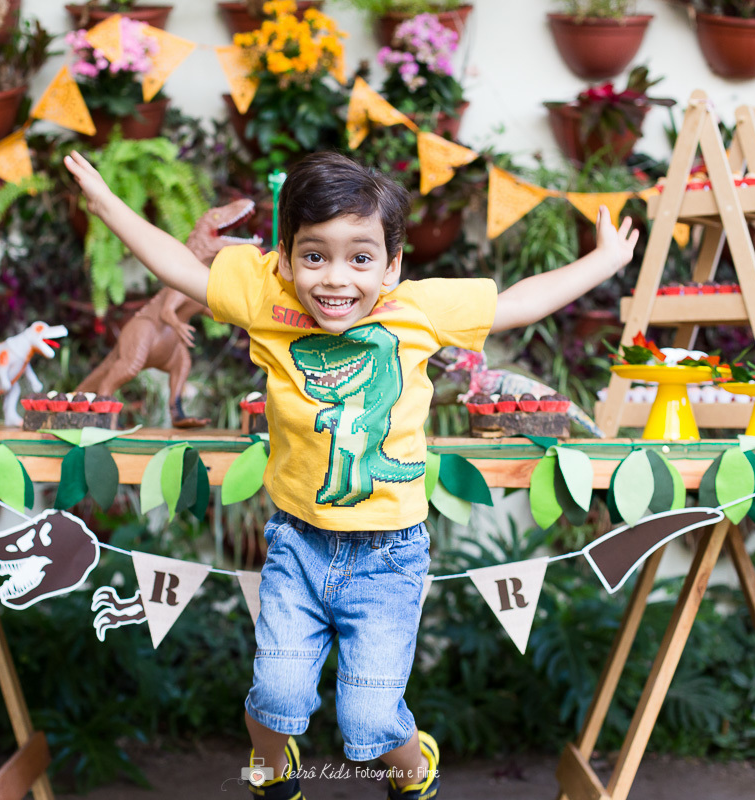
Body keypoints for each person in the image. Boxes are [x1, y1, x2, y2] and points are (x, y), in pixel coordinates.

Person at [65, 150, 638, 800]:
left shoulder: (418, 309)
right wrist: (107, 203)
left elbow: (518, 302)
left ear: (392, 265)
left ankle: (412, 767)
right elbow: (175, 262)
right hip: (299, 543)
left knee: (367, 724)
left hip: (389, 557)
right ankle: (274, 772)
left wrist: (606, 261)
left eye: (360, 258)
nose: (336, 278)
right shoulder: (264, 295)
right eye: (315, 256)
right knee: (275, 697)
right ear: (284, 258)